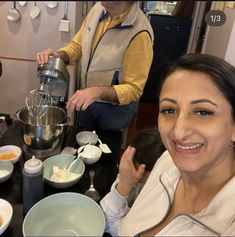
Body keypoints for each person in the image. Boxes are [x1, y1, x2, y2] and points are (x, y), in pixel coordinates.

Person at [100, 53, 235, 236]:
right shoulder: (167, 162)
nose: (179, 132)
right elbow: (123, 230)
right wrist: (124, 185)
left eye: (203, 112)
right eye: (169, 110)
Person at [36, 1, 154, 134]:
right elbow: (77, 46)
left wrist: (97, 92)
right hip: (87, 99)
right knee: (82, 144)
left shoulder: (140, 33)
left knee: (106, 150)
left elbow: (134, 89)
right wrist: (59, 56)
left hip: (115, 110)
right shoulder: (98, 9)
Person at [101, 127, 165, 219]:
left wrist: (124, 184)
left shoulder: (161, 199)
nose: (131, 171)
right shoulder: (131, 170)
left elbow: (109, 221)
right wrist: (124, 183)